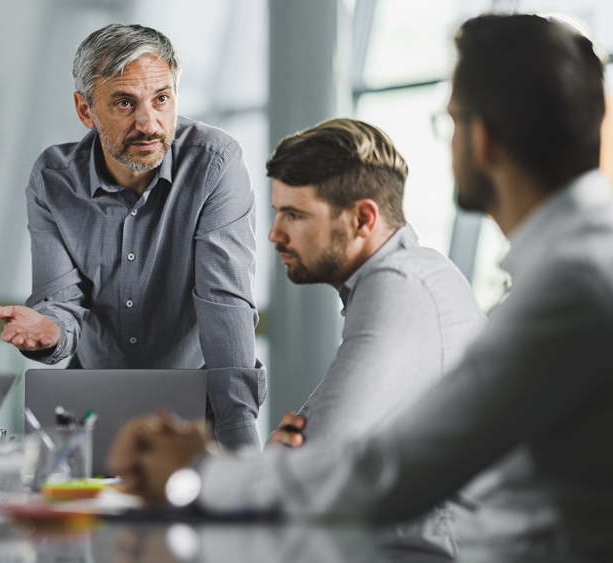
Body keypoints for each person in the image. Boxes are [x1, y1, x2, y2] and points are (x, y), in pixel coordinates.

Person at [107, 13, 613, 556]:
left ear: (482, 136)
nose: (276, 234)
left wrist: (200, 471)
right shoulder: (574, 267)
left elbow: (386, 474)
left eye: (450, 123)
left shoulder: (569, 283)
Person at [0, 24, 265, 450]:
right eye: (124, 103)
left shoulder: (215, 165)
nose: (148, 123)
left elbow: (225, 307)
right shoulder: (54, 179)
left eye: (161, 99)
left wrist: (245, 455)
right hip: (93, 416)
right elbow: (60, 302)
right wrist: (51, 333)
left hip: (195, 418)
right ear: (85, 110)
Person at [262, 117, 486, 557]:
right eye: (277, 212)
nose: (276, 233)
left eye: (295, 214)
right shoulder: (413, 274)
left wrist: (282, 457)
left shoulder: (400, 282)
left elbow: (310, 459)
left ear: (363, 218)